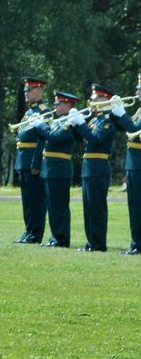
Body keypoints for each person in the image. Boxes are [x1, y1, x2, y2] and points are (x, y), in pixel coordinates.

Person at [77, 84, 136, 252]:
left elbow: (94, 140)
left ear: (104, 100)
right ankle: (91, 242)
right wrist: (75, 124)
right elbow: (83, 139)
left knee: (97, 208)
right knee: (88, 207)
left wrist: (81, 125)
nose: (92, 101)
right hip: (88, 166)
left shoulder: (108, 122)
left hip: (98, 167)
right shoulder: (95, 120)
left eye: (95, 98)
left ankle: (98, 243)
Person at [38, 90, 87, 248]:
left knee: (59, 206)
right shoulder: (59, 121)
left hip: (59, 169)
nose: (55, 106)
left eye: (58, 103)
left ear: (67, 105)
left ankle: (61, 239)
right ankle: (55, 237)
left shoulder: (69, 124)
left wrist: (40, 126)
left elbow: (55, 138)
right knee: (52, 206)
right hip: (50, 168)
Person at [13, 77, 49, 243]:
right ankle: (29, 231)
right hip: (24, 161)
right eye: (25, 90)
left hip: (33, 162)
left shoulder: (43, 111)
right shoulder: (29, 112)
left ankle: (36, 233)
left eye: (29, 90)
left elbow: (43, 140)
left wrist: (36, 164)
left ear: (39, 90)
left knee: (36, 201)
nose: (25, 93)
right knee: (27, 201)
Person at [126, 74, 141, 255]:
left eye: (139, 88)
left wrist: (121, 115)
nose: (137, 92)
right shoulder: (138, 112)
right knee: (134, 206)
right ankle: (136, 242)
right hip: (133, 164)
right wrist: (115, 115)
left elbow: (133, 129)